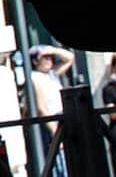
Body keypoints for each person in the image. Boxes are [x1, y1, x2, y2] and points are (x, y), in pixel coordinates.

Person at [29, 45, 76, 175]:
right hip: (52, 122)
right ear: (35, 61)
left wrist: (52, 50)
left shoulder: (51, 74)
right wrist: (55, 131)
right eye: (44, 58)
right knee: (58, 162)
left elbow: (70, 58)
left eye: (50, 57)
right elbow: (41, 108)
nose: (49, 60)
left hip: (62, 118)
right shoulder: (35, 78)